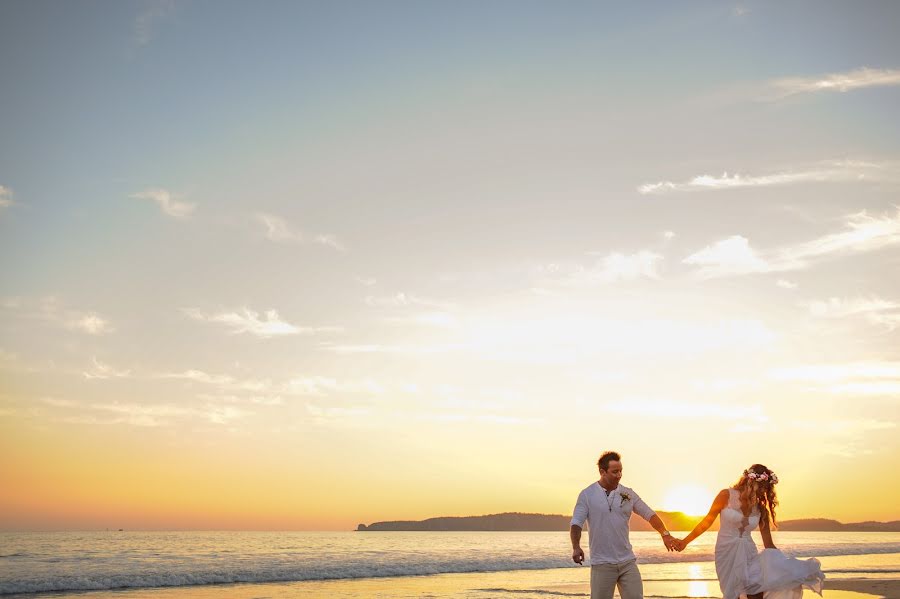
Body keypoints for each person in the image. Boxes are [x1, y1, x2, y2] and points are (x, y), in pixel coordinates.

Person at [673, 464, 825, 599]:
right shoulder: (726, 495)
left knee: (756, 589)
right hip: (726, 552)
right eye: (762, 487)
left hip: (749, 553)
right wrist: (685, 542)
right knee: (732, 593)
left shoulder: (760, 509)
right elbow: (706, 523)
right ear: (751, 481)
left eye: (767, 488)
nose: (764, 492)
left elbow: (769, 544)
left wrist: (786, 568)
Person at [571, 451, 678, 599]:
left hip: (627, 562)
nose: (619, 475)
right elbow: (576, 523)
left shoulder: (628, 494)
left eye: (621, 471)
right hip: (602, 564)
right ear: (602, 472)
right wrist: (576, 547)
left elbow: (650, 514)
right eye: (615, 472)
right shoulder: (587, 495)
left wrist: (665, 534)